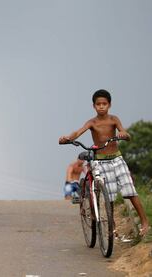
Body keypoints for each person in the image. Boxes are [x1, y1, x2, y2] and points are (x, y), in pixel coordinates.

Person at [59, 89, 150, 236]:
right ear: (93, 106)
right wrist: (68, 138)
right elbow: (78, 132)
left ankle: (145, 222)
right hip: (100, 162)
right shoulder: (92, 122)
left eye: (104, 104)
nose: (101, 106)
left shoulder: (114, 119)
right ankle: (111, 226)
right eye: (98, 104)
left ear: (109, 105)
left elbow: (125, 133)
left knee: (130, 191)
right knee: (110, 195)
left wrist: (123, 135)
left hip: (116, 159)